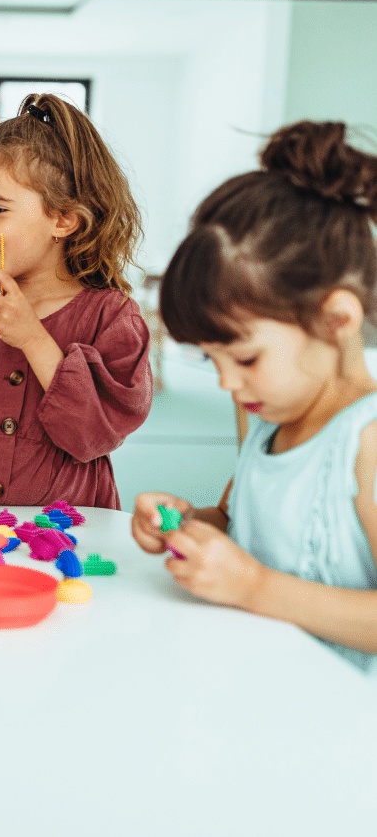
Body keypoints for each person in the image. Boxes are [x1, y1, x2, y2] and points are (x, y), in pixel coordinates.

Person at [131, 119, 377, 672]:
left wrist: (256, 589)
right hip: (259, 694)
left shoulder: (367, 442)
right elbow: (238, 521)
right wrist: (189, 525)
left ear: (336, 319)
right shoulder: (268, 422)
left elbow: (262, 581)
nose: (227, 384)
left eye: (244, 358)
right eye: (210, 360)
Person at [0, 94, 152, 508]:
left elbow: (96, 433)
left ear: (63, 219)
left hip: (66, 523)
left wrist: (33, 339)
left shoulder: (112, 316)